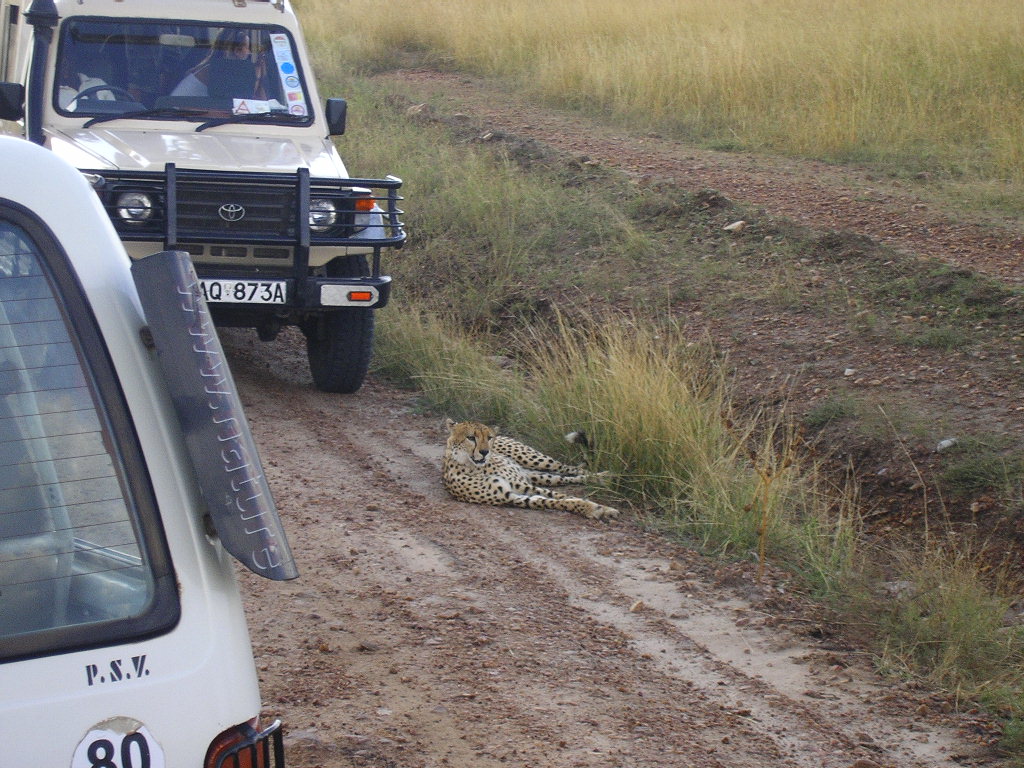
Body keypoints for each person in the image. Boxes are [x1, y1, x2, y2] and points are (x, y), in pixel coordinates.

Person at [171, 27, 251, 97]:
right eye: (247, 48)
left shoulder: (216, 66)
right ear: (237, 51)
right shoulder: (218, 70)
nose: (249, 52)